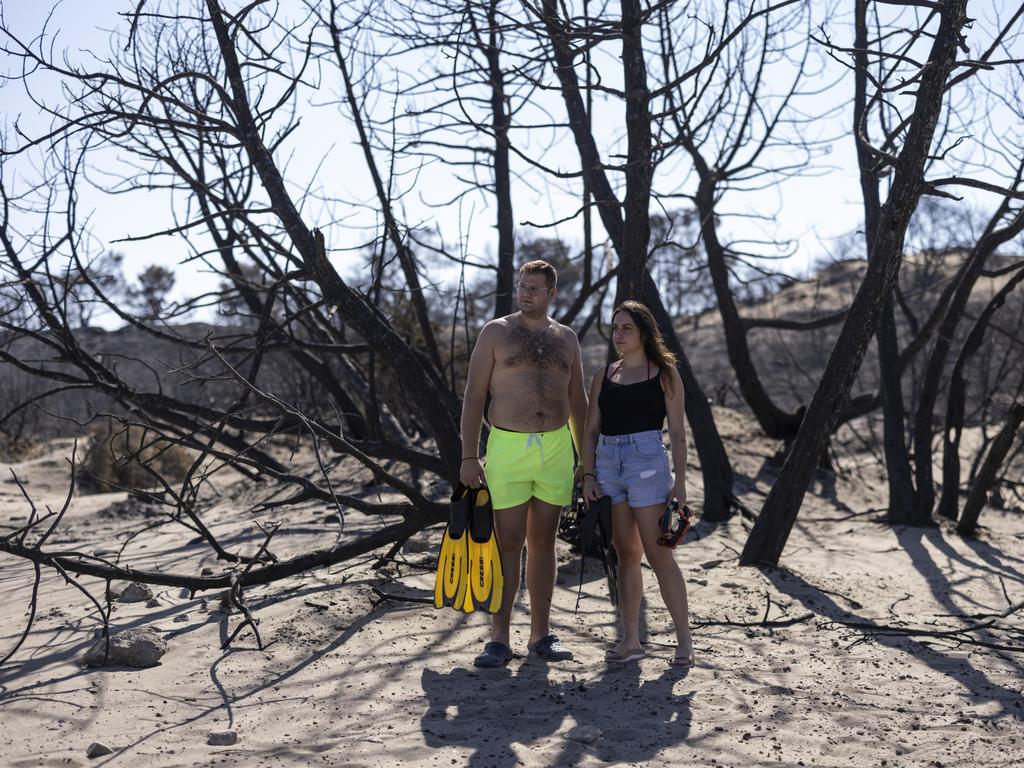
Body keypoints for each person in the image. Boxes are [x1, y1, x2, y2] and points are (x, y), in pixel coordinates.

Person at [460, 260, 588, 668]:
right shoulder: (496, 332)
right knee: (508, 541)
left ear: (552, 293)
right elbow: (473, 396)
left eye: (534, 288)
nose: (525, 293)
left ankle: (541, 635)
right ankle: (498, 638)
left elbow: (579, 402)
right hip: (507, 448)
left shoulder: (566, 338)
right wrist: (468, 455)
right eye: (521, 286)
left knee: (544, 542)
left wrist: (586, 461)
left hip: (555, 448)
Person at [580, 300, 694, 666]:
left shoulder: (664, 373)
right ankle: (631, 641)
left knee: (660, 554)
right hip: (609, 464)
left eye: (626, 327)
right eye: (615, 328)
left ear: (644, 332)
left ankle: (684, 643)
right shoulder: (604, 374)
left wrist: (680, 483)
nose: (619, 334)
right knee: (625, 555)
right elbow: (590, 429)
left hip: (647, 462)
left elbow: (677, 433)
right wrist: (588, 473)